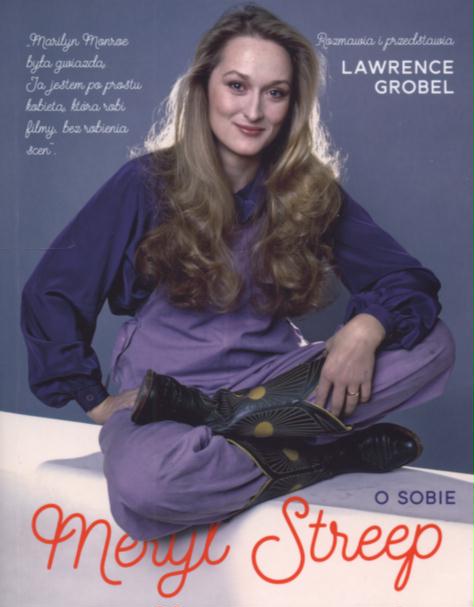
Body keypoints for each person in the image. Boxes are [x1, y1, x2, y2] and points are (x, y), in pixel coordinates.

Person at [21, 4, 455, 541]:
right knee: (149, 487)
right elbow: (52, 290)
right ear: (203, 88)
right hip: (164, 399)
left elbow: (406, 281)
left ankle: (234, 417)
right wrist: (94, 399)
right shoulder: (146, 183)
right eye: (237, 86)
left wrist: (367, 327)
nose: (254, 110)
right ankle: (326, 454)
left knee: (433, 344)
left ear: (292, 104)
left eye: (275, 92)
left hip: (274, 386)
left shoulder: (307, 190)